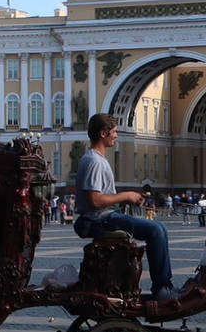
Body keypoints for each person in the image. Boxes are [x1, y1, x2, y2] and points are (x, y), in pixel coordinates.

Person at [74, 113, 176, 302]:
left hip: (102, 216)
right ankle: (162, 287)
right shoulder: (95, 162)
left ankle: (164, 286)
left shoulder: (94, 159)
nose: (117, 135)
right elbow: (95, 200)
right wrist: (126, 196)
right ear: (103, 133)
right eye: (114, 132)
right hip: (98, 219)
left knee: (159, 228)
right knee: (156, 230)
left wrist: (126, 198)